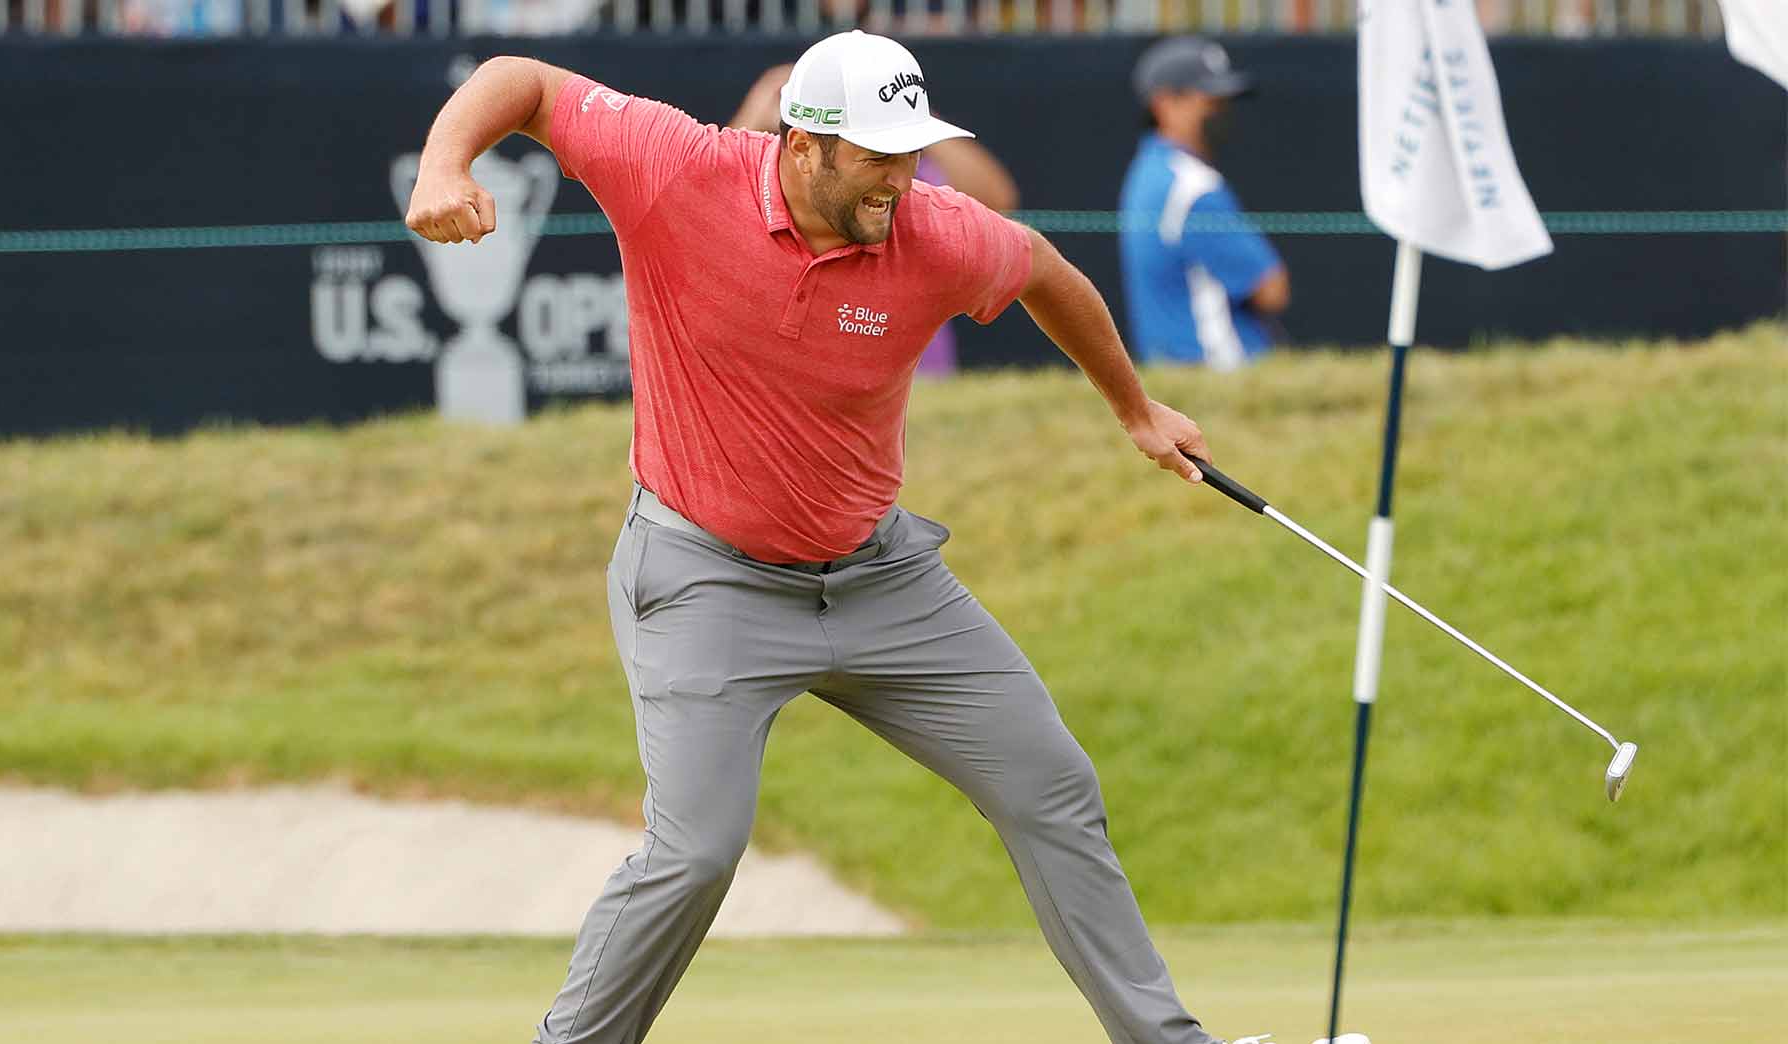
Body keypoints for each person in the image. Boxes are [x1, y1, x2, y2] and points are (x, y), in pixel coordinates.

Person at [405, 28, 1365, 1044]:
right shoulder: (679, 167)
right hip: (705, 580)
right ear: (805, 140)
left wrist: (1133, 409)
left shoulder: (935, 230)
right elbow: (522, 80)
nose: (901, 179)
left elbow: (1043, 270)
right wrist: (442, 164)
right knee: (694, 853)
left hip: (880, 581)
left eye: (912, 151)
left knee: (1051, 784)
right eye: (876, 153)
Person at [728, 62, 1020, 378]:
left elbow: (998, 200)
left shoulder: (908, 176)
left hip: (921, 380)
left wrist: (909, 116)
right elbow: (725, 191)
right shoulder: (765, 179)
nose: (898, 178)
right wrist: (761, 108)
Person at [1119, 37, 1290, 371]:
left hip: (1172, 370)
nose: (1220, 112)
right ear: (1165, 103)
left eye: (1224, 101)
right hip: (1221, 369)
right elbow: (1271, 290)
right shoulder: (1193, 186)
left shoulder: (1147, 171)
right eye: (1209, 101)